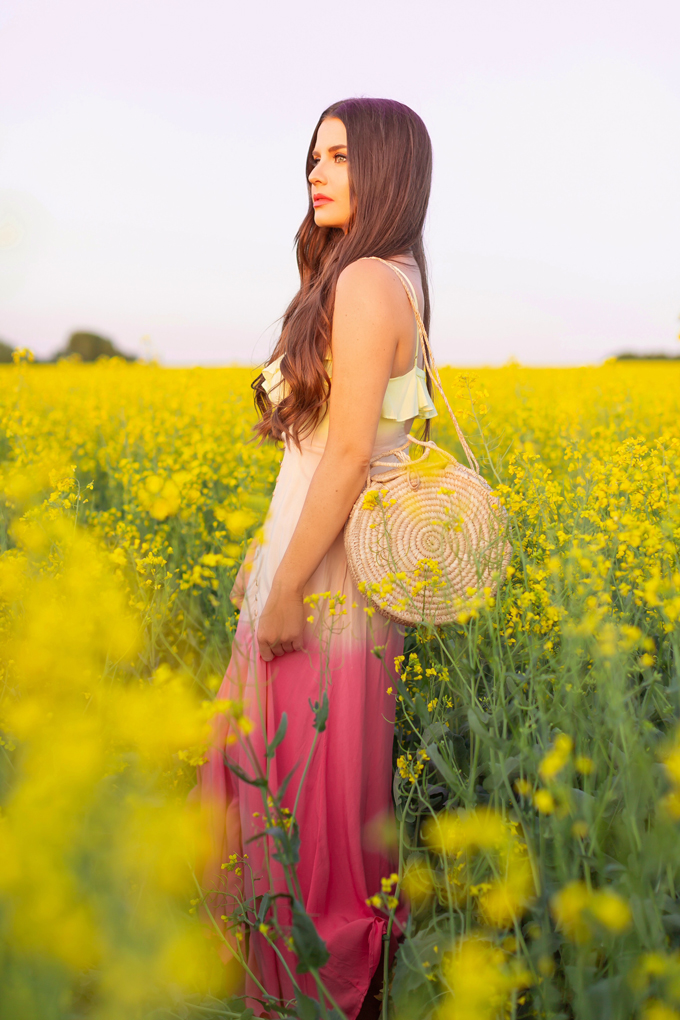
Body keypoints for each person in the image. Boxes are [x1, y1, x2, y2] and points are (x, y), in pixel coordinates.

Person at [196, 97, 436, 1020]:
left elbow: (345, 457)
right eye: (312, 155)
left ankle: (311, 992)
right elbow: (333, 453)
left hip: (329, 580)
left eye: (338, 155)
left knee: (305, 802)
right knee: (305, 790)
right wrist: (267, 555)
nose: (316, 170)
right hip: (318, 561)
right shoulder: (383, 276)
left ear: (388, 170)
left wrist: (288, 581)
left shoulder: (368, 281)